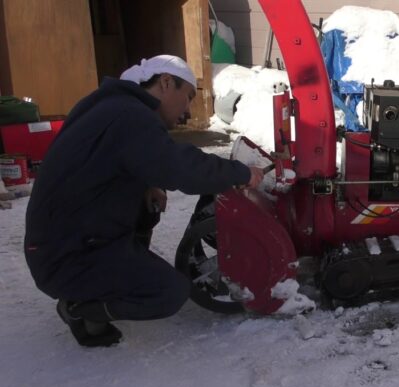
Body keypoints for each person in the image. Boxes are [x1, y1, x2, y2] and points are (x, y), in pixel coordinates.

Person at [24, 55, 264, 347]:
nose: (188, 111)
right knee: (169, 292)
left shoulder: (110, 106)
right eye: (187, 97)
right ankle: (80, 308)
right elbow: (181, 168)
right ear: (165, 82)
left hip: (64, 243)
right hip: (68, 256)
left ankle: (104, 281)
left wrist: (147, 184)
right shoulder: (129, 116)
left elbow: (115, 160)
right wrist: (240, 172)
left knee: (148, 204)